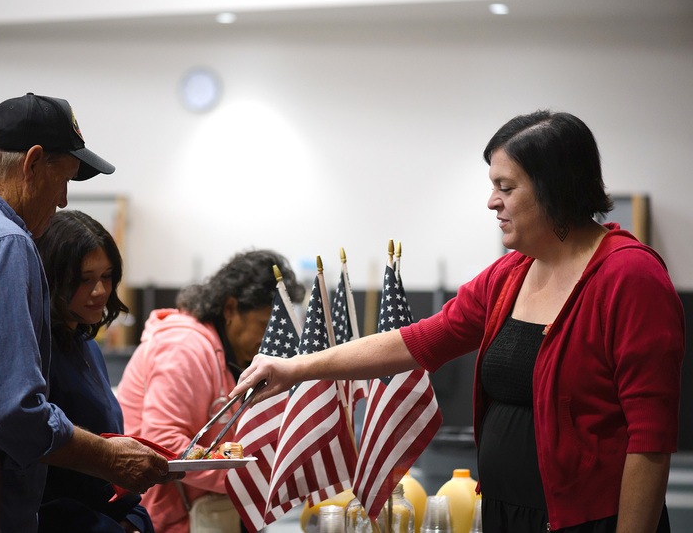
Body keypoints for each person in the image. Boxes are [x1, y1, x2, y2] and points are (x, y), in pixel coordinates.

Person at [232, 111, 685, 533]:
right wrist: (297, 368)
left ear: (555, 189)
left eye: (506, 187)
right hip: (505, 513)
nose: (492, 202)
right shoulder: (510, 275)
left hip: (590, 520)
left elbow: (650, 441)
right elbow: (416, 341)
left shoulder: (629, 277)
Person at [0, 94, 181, 533]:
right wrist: (108, 457)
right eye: (63, 179)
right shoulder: (7, 241)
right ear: (31, 163)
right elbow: (13, 410)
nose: (63, 200)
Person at [117, 249, 305, 533]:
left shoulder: (234, 354)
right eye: (264, 325)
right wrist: (247, 477)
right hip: (171, 516)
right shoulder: (184, 346)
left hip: (211, 510)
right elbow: (162, 440)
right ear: (230, 309)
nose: (268, 339)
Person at [35, 210, 154, 532]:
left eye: (107, 276)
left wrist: (132, 518)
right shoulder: (39, 351)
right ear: (54, 279)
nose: (100, 290)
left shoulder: (87, 343)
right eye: (85, 279)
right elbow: (45, 477)